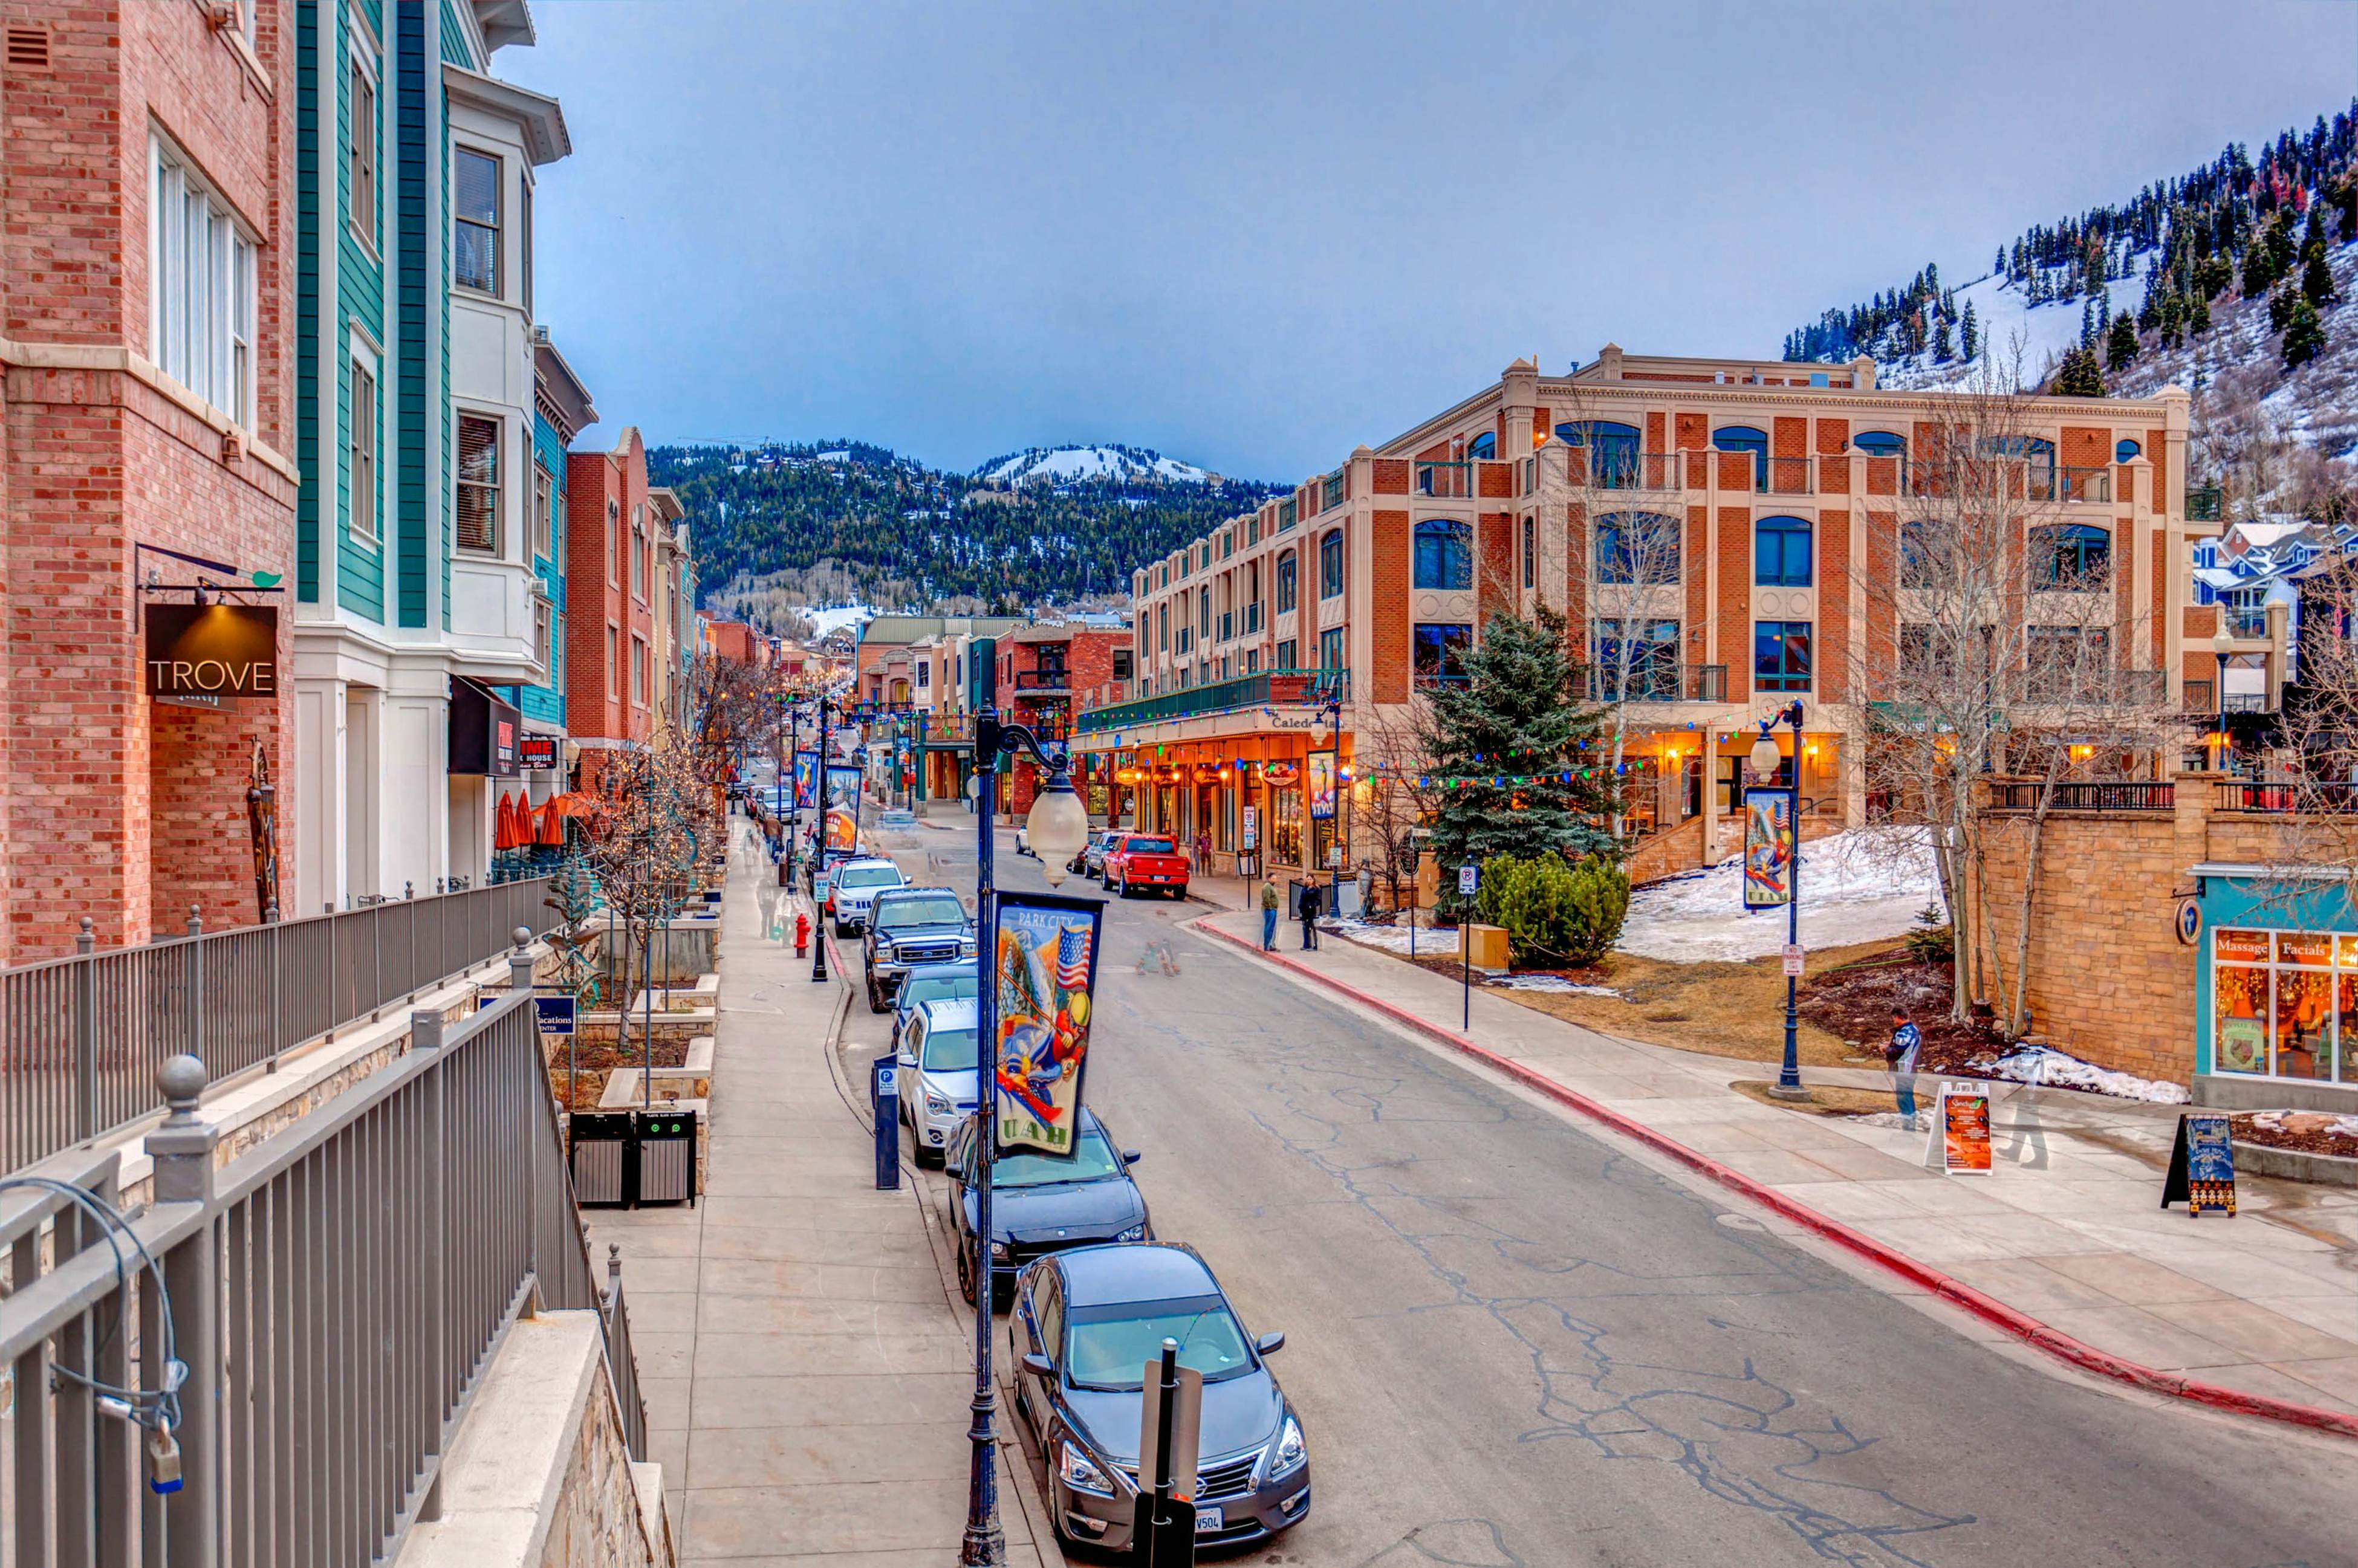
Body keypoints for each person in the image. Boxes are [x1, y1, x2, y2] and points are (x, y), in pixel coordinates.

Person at [1888, 1010, 1923, 1124]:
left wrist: (1886, 1049)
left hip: (1904, 1068)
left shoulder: (1905, 1032)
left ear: (1897, 1017)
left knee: (1903, 1097)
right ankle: (1911, 1118)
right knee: (1908, 1095)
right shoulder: (1913, 1030)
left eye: (1893, 1018)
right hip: (1910, 1068)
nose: (1893, 1021)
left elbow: (1899, 1050)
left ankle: (1908, 1123)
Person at [1298, 880, 1320, 951]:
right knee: (1305, 927)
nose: (1309, 881)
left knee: (1311, 927)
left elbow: (1318, 900)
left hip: (1311, 910)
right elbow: (1301, 899)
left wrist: (1313, 905)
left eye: (1310, 879)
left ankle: (1314, 946)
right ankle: (1306, 945)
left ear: (1314, 880)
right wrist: (1300, 909)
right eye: (1308, 879)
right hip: (1305, 910)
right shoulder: (1304, 889)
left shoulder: (1316, 889)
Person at [1259, 878, 1281, 950]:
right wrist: (1270, 908)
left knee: (1272, 927)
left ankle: (1271, 944)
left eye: (1276, 878)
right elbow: (1266, 899)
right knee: (1270, 928)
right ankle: (1268, 945)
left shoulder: (1271, 887)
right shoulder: (1267, 886)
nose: (1275, 880)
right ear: (1269, 879)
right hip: (1270, 910)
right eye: (1273, 878)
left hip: (1272, 909)